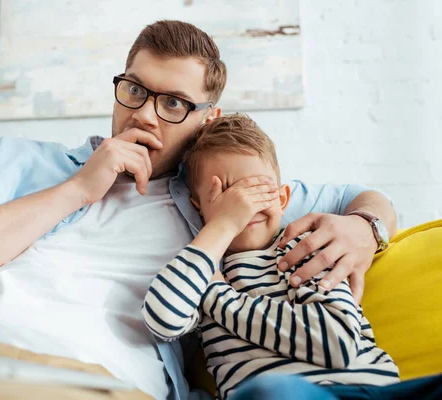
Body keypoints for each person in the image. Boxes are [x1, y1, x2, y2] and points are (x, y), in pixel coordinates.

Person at [0, 20, 397, 400]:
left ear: (208, 120)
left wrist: (366, 228)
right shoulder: (16, 160)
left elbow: (362, 198)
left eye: (174, 103)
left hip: (87, 380)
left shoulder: (221, 201)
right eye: (135, 89)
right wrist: (79, 188)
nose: (145, 115)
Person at [142, 115, 400, 400]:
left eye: (257, 189)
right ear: (198, 208)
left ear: (282, 198)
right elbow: (162, 318)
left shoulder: (304, 248)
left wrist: (220, 297)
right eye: (226, 194)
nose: (245, 204)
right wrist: (223, 225)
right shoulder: (199, 272)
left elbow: (335, 344)